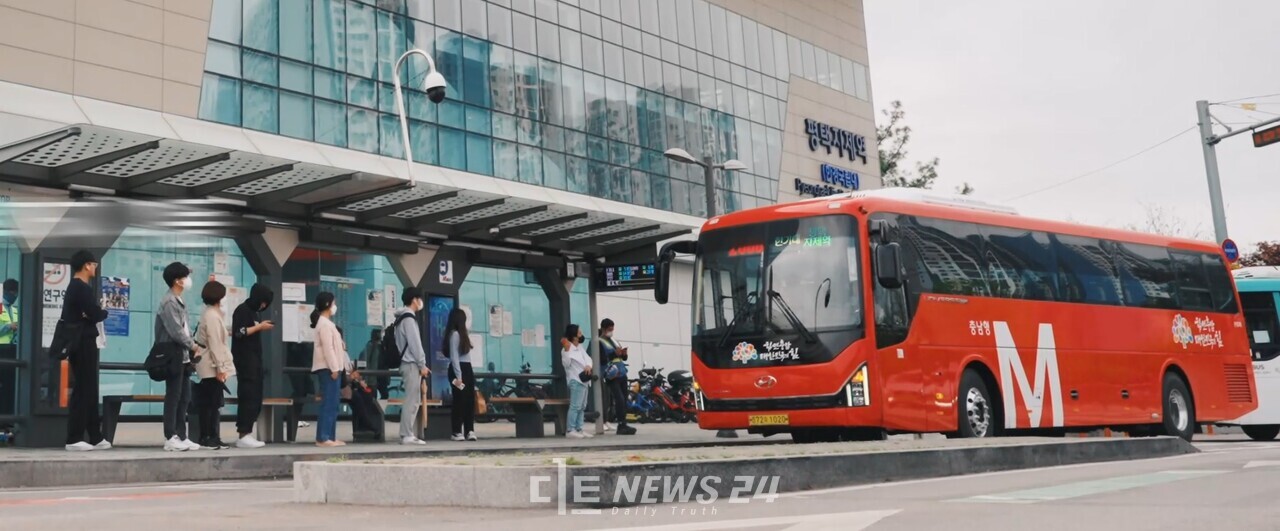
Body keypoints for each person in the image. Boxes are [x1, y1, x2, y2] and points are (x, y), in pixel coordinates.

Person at [62, 251, 109, 451]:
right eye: (94, 264)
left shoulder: (77, 287)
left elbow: (88, 313)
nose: (95, 267)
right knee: (83, 388)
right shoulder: (81, 288)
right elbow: (94, 313)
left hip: (83, 341)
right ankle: (74, 438)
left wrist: (92, 313)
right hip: (82, 342)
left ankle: (95, 436)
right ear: (87, 265)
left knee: (89, 388)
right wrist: (102, 311)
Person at [157, 262, 201, 452]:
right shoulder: (168, 302)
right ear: (177, 280)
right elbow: (175, 330)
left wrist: (191, 348)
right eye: (185, 276)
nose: (188, 280)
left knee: (184, 396)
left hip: (182, 356)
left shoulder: (179, 301)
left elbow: (185, 329)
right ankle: (170, 436)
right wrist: (192, 345)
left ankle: (182, 435)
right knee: (173, 396)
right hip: (172, 355)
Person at [193, 280, 235, 450]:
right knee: (212, 404)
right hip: (210, 365)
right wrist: (221, 368)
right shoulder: (212, 316)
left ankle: (210, 436)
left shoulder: (211, 314)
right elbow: (215, 343)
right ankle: (209, 437)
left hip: (208, 363)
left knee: (211, 403)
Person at [230, 283, 273, 448]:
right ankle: (243, 433)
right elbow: (239, 332)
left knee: (255, 397)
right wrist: (259, 327)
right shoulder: (242, 310)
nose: (263, 306)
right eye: (263, 302)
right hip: (245, 361)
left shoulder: (255, 312)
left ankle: (248, 431)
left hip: (255, 361)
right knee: (247, 396)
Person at [394, 288, 430, 445]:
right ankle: (407, 434)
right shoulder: (408, 319)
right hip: (411, 364)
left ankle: (407, 433)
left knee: (412, 398)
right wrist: (422, 364)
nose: (420, 302)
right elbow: (415, 344)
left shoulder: (401, 318)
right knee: (412, 399)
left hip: (407, 363)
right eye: (419, 299)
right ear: (415, 300)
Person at [310, 292, 347, 447]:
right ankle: (323, 437)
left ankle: (330, 436)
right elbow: (328, 349)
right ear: (327, 305)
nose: (334, 306)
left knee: (333, 403)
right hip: (328, 369)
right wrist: (334, 368)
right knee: (329, 403)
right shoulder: (324, 324)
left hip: (332, 368)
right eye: (333, 303)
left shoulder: (327, 324)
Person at [599, 318, 636, 435]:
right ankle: (621, 424)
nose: (612, 331)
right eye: (610, 329)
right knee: (619, 399)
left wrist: (624, 354)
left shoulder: (614, 341)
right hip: (611, 374)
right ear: (604, 329)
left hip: (621, 372)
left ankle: (623, 423)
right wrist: (614, 353)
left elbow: (622, 358)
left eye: (613, 329)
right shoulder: (599, 342)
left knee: (624, 399)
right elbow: (602, 359)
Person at [444, 307, 476, 442]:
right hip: (457, 372)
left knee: (469, 399)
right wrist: (459, 377)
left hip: (467, 370)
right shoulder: (455, 335)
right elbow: (454, 358)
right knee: (460, 399)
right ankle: (456, 431)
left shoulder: (463, 334)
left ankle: (470, 430)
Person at [561, 324, 594, 439]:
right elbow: (566, 364)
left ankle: (579, 428)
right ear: (574, 336)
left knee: (582, 406)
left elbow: (588, 359)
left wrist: (588, 366)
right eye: (579, 333)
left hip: (584, 380)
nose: (581, 335)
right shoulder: (567, 349)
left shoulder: (580, 347)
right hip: (575, 380)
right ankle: (570, 429)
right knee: (575, 406)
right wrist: (566, 350)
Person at [0, 279, 19, 345]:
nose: (15, 295)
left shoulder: (14, 311)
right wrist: (9, 326)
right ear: (5, 291)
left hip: (12, 349)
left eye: (17, 293)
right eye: (13, 292)